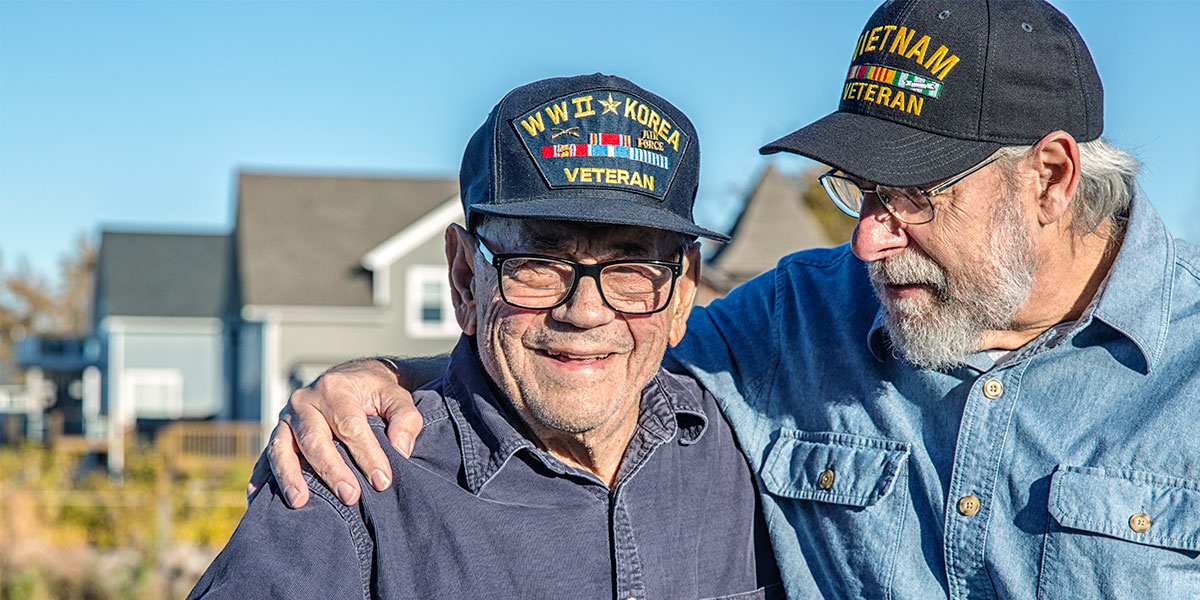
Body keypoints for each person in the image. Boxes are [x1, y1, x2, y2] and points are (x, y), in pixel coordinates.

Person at [261, 1, 1200, 598]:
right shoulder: (799, 316)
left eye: (914, 198)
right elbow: (595, 347)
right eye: (859, 193)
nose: (867, 240)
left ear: (1051, 177)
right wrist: (381, 375)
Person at [190, 73, 782, 599]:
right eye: (538, 262)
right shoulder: (351, 490)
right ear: (466, 276)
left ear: (683, 292)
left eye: (630, 269)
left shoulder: (754, 451)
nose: (584, 312)